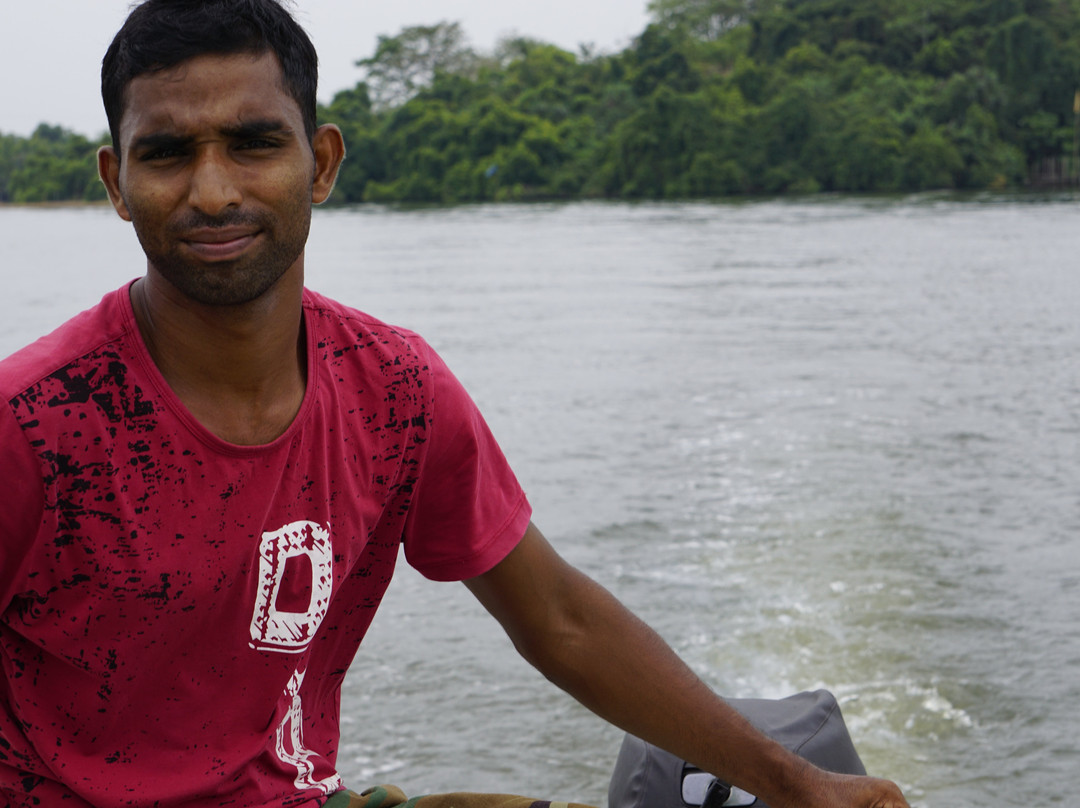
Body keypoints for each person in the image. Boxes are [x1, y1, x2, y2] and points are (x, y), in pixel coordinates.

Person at [0, 2, 911, 807]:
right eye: (167, 153)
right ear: (117, 183)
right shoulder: (35, 423)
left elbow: (559, 618)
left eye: (254, 143)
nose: (213, 190)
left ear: (320, 163)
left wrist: (796, 785)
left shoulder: (392, 390)